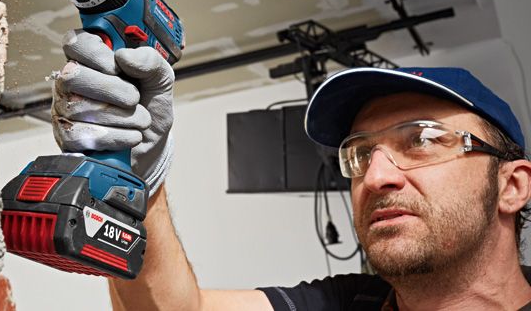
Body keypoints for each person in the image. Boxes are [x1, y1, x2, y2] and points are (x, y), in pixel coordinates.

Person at [51, 30, 531, 310]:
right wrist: (141, 177)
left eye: (422, 140)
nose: (377, 176)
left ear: (512, 186)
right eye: (360, 153)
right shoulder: (351, 303)